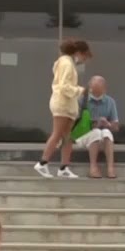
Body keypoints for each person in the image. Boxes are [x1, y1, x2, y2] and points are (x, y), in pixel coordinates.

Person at [35, 38, 91, 179]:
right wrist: (80, 90)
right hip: (62, 104)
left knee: (67, 137)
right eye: (84, 55)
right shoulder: (66, 64)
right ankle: (42, 163)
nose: (84, 59)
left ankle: (64, 167)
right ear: (78, 52)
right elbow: (64, 86)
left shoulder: (66, 63)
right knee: (58, 134)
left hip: (67, 105)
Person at [73, 75, 120, 179]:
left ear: (104, 90)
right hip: (84, 135)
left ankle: (110, 167)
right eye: (93, 93)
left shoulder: (110, 102)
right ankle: (93, 167)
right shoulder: (81, 101)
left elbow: (116, 127)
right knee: (96, 133)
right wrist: (94, 124)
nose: (96, 96)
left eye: (99, 93)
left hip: (102, 137)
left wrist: (107, 124)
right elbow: (75, 124)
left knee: (106, 133)